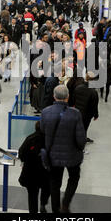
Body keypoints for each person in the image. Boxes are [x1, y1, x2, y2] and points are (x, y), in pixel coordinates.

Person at [40, 85, 86, 213]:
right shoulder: (75, 114)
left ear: (54, 96)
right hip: (72, 155)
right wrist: (80, 148)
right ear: (68, 97)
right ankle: (65, 203)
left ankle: (55, 209)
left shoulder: (45, 112)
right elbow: (81, 139)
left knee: (55, 183)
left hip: (53, 155)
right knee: (74, 177)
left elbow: (43, 130)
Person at [18, 121, 51, 213]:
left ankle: (33, 212)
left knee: (32, 195)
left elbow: (21, 153)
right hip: (45, 173)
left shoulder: (30, 139)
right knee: (46, 188)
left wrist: (25, 161)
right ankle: (43, 204)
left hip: (30, 173)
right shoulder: (49, 139)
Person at [70, 72, 99, 144]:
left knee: (77, 127)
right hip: (87, 115)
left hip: (77, 112)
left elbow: (73, 100)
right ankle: (81, 142)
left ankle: (78, 139)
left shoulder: (78, 88)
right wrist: (96, 115)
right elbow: (94, 105)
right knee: (84, 128)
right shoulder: (93, 92)